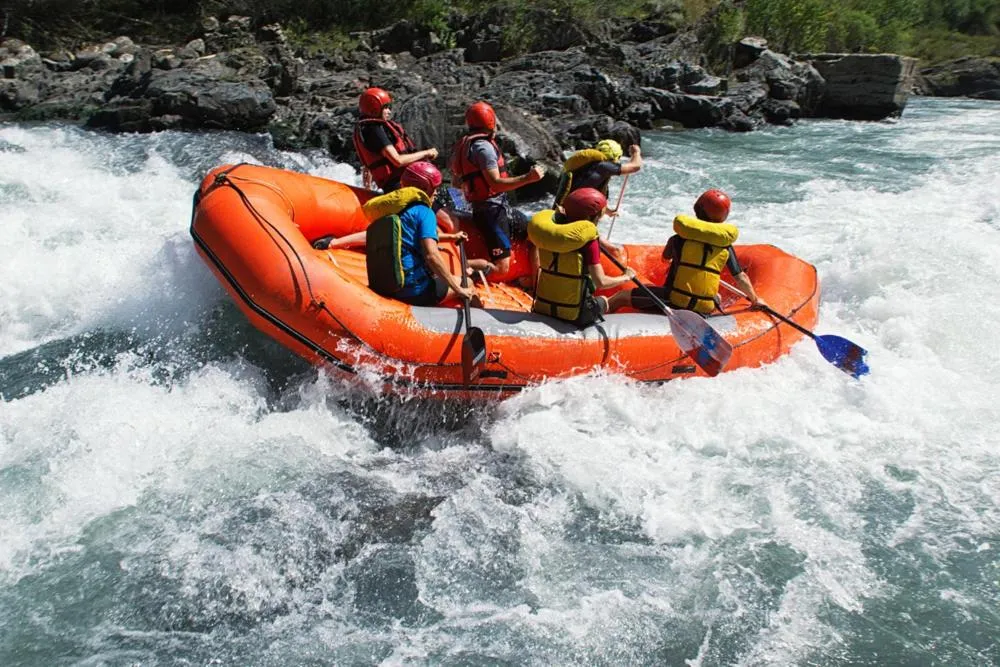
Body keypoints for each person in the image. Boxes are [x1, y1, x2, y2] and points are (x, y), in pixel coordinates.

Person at [325, 162, 477, 306]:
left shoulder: (394, 210)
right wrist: (459, 290)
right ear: (425, 188)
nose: (437, 192)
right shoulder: (425, 212)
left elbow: (377, 235)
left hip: (387, 285)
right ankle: (482, 317)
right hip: (414, 291)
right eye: (435, 188)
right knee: (467, 282)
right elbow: (432, 255)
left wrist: (451, 237)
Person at [607, 189, 762, 315]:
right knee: (718, 296)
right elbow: (740, 277)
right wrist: (755, 300)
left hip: (674, 301)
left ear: (697, 209)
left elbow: (665, 258)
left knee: (621, 297)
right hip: (705, 306)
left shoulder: (678, 239)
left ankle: (597, 323)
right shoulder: (725, 246)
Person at [450, 101, 545, 278]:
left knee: (533, 232)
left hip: (488, 207)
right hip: (491, 211)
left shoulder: (463, 145)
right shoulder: (484, 148)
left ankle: (534, 284)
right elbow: (496, 184)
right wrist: (529, 178)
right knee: (502, 268)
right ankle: (453, 264)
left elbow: (456, 182)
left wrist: (465, 204)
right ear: (491, 121)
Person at [529, 188, 637, 328]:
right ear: (592, 217)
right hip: (577, 314)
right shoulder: (588, 242)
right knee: (622, 297)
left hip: (543, 306)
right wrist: (626, 277)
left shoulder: (549, 233)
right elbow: (601, 282)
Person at [352, 87, 439, 192]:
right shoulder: (374, 130)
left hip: (398, 184)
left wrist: (368, 189)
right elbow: (398, 160)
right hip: (401, 184)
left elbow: (367, 168)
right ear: (375, 108)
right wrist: (427, 153)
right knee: (442, 203)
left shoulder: (366, 129)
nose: (389, 111)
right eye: (386, 108)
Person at [553, 139, 643, 207]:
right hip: (577, 209)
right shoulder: (603, 167)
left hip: (565, 207)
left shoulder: (583, 165)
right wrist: (636, 153)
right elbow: (635, 166)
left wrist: (607, 211)